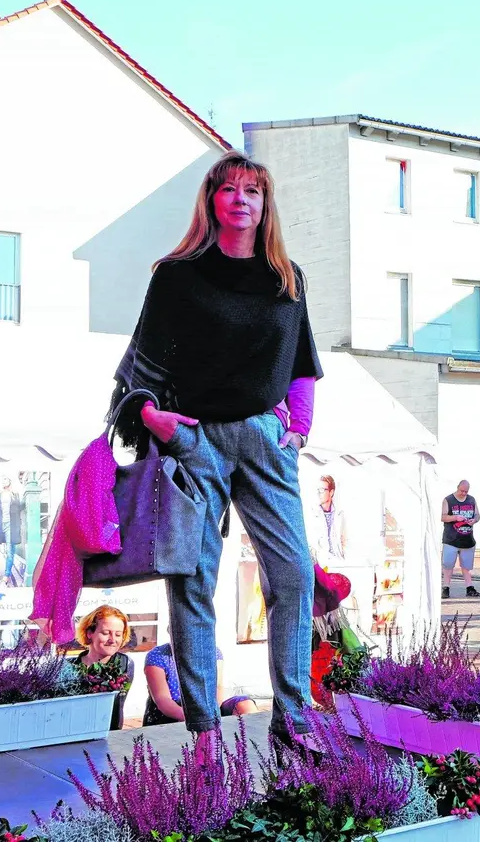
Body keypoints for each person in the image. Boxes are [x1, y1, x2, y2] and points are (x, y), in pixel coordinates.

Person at [110, 150, 321, 758]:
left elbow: (302, 365)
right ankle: (202, 726)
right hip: (194, 438)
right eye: (228, 189)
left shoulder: (286, 277)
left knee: (293, 574)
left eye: (252, 191)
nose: (240, 199)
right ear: (212, 199)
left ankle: (294, 717)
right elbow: (142, 364)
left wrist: (298, 429)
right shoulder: (177, 276)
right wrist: (151, 416)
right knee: (193, 580)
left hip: (264, 437)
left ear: (264, 203)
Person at [143, 640, 260, 726]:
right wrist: (192, 718)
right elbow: (162, 699)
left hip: (207, 709)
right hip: (171, 713)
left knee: (245, 705)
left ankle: (253, 748)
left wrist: (209, 713)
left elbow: (217, 688)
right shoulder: (158, 655)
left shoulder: (212, 652)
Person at [441, 480, 480, 599]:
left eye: (466, 491)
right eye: (462, 491)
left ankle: (469, 587)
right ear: (457, 488)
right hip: (451, 539)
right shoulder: (448, 500)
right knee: (448, 564)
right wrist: (455, 517)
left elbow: (477, 515)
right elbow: (442, 517)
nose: (464, 493)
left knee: (467, 566)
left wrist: (474, 520)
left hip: (467, 539)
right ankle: (446, 587)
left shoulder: (471, 499)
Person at [307, 475, 346, 565]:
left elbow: (346, 541)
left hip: (340, 563)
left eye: (322, 490)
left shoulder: (340, 514)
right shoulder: (312, 514)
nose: (318, 493)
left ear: (331, 492)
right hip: (322, 564)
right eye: (317, 490)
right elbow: (311, 545)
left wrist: (345, 560)